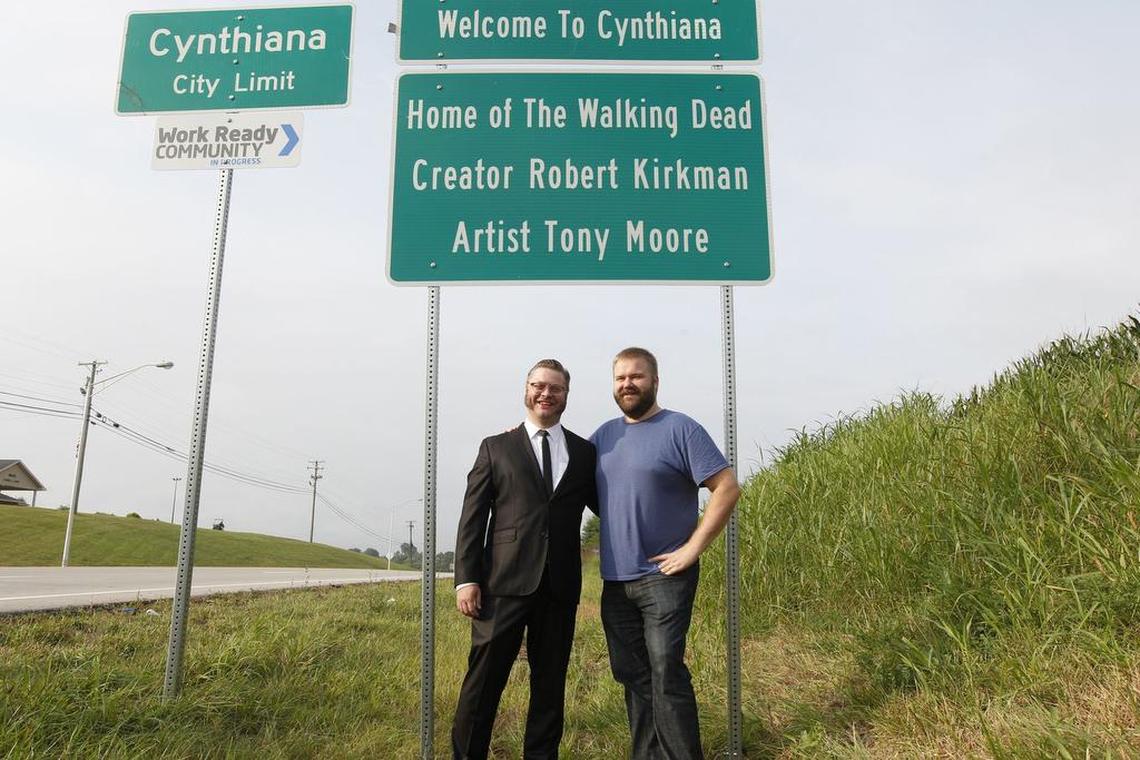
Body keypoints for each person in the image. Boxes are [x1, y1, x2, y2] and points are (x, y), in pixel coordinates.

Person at [591, 347, 741, 760]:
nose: (627, 384)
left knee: (664, 668)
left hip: (664, 577)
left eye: (636, 377)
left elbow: (726, 487)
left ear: (655, 381)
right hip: (615, 581)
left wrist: (693, 547)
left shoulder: (681, 429)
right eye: (620, 378)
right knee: (632, 675)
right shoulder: (603, 437)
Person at [451, 359, 598, 760]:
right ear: (526, 389)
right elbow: (473, 516)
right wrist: (467, 578)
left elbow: (609, 507)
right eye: (538, 385)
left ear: (567, 394)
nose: (546, 394)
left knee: (550, 689)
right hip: (502, 585)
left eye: (555, 388)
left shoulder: (585, 453)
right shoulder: (495, 447)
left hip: (560, 587)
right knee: (482, 686)